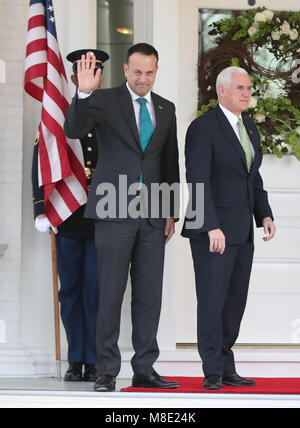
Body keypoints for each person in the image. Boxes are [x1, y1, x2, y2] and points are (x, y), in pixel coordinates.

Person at [64, 43, 180, 392]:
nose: (143, 78)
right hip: (113, 211)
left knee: (149, 295)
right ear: (125, 70)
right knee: (110, 293)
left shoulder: (166, 107)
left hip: (153, 215)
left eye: (149, 72)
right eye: (137, 71)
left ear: (156, 72)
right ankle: (106, 371)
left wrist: (171, 211)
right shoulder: (103, 100)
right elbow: (73, 128)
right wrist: (83, 92)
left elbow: (170, 162)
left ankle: (145, 368)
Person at [182, 66, 276, 390]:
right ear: (221, 91)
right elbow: (197, 180)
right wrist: (210, 226)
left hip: (243, 232)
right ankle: (211, 370)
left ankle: (225, 364)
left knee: (234, 302)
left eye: (249, 88)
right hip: (213, 232)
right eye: (240, 88)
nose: (246, 93)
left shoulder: (248, 128)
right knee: (212, 300)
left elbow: (253, 178)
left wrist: (264, 214)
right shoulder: (202, 128)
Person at [32, 49, 109, 382]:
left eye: (94, 70)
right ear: (73, 76)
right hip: (68, 213)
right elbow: (42, 158)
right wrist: (41, 208)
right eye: (82, 69)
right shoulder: (58, 111)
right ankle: (74, 357)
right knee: (71, 290)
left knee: (96, 289)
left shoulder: (111, 112)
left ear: (101, 76)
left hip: (104, 214)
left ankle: (93, 358)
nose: (89, 74)